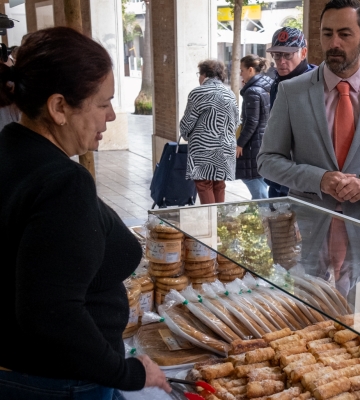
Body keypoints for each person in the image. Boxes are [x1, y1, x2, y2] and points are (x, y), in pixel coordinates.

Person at [0, 27, 170, 398]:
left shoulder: (11, 149)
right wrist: (128, 373)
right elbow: (52, 312)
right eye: (102, 103)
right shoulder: (62, 182)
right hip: (60, 383)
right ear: (59, 107)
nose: (111, 116)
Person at [258, 0, 360, 299]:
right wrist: (319, 178)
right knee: (302, 318)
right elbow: (267, 161)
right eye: (327, 33)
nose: (334, 43)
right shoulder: (291, 92)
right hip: (305, 229)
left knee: (356, 326)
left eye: (345, 34)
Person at [264, 26, 318, 198]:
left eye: (288, 55)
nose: (281, 61)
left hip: (304, 177)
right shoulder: (276, 84)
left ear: (303, 53)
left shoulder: (318, 85)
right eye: (277, 55)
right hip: (278, 174)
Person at [180, 59, 239, 204]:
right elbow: (236, 122)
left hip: (204, 147)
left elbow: (187, 123)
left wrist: (186, 135)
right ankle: (219, 222)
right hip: (226, 147)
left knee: (203, 184)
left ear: (204, 74)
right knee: (219, 184)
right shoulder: (230, 93)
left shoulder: (198, 93)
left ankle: (211, 222)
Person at [238, 55, 274, 199]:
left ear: (251, 70)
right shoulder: (267, 85)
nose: (240, 73)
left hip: (254, 143)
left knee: (251, 177)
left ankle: (265, 212)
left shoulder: (252, 91)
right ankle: (261, 211)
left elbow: (251, 121)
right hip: (265, 139)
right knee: (259, 177)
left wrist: (240, 143)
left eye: (242, 70)